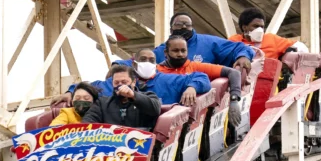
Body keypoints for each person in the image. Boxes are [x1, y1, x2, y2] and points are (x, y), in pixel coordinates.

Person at [53, 49, 211, 107]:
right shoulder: (108, 86)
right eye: (143, 60)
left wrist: (192, 87)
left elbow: (201, 77)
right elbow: (85, 86)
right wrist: (70, 92)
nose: (148, 63)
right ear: (134, 64)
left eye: (152, 60)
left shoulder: (168, 80)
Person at [157, 35, 244, 128]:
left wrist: (234, 100)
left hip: (190, 123)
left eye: (183, 51)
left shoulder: (196, 67)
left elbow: (233, 72)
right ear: (166, 53)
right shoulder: (156, 72)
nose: (180, 54)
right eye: (175, 51)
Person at [153, 13, 253, 70]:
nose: (184, 27)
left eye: (187, 24)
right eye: (179, 24)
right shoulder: (159, 51)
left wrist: (243, 56)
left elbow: (241, 47)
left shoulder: (209, 43)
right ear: (171, 30)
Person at [81, 65, 161, 130]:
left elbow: (155, 109)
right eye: (116, 83)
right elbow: (88, 121)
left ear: (133, 82)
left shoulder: (149, 96)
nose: (120, 85)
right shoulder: (102, 103)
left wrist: (133, 95)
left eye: (124, 82)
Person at [229, 7, 307, 60]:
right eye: (255, 26)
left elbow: (302, 48)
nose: (260, 30)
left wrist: (288, 58)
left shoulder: (272, 39)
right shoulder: (233, 41)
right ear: (244, 27)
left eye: (262, 27)